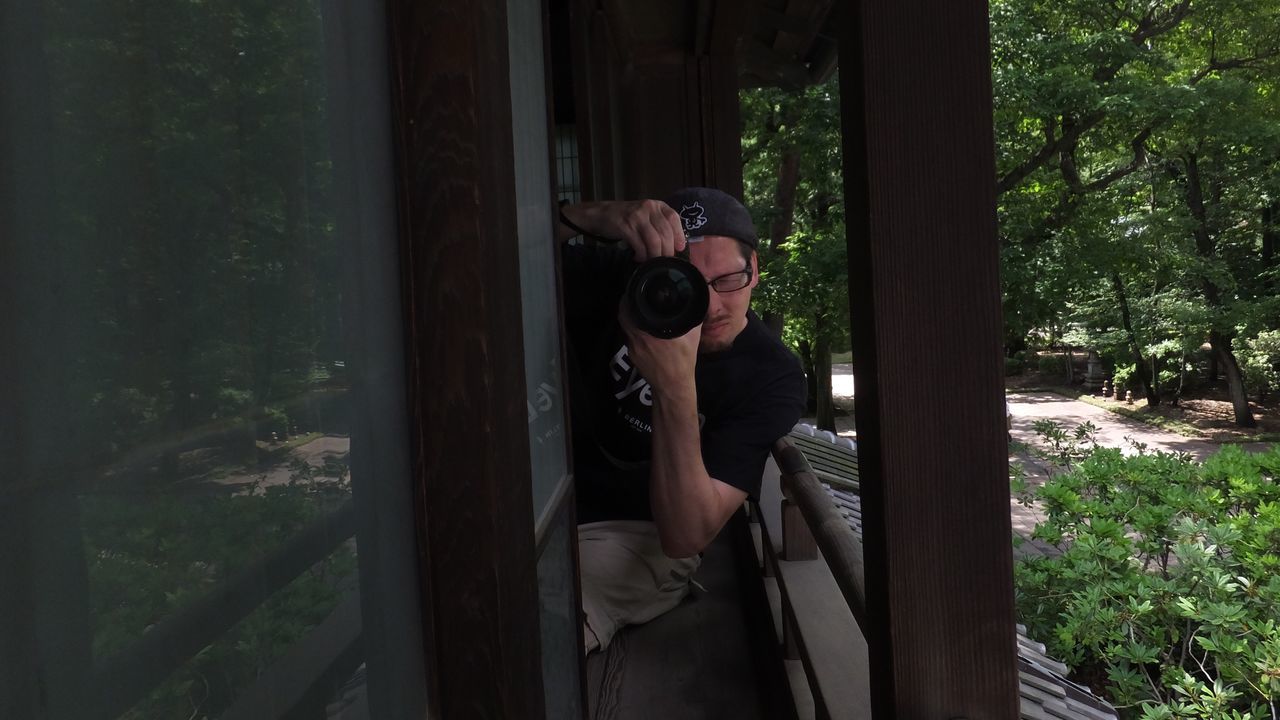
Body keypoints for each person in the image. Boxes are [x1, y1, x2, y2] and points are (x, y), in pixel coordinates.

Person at [557, 187, 806, 653]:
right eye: (685, 282)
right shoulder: (625, 286)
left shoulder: (770, 374)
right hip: (547, 501)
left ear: (754, 271)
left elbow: (685, 534)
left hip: (638, 534)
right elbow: (491, 256)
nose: (710, 307)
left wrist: (673, 383)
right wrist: (586, 216)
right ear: (648, 270)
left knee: (543, 613)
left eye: (728, 280)